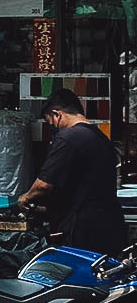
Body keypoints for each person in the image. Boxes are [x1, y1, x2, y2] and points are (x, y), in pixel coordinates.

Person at [18, 89, 126, 255]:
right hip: (109, 223)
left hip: (84, 230)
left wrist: (25, 198)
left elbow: (43, 185)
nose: (55, 129)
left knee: (77, 277)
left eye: (52, 123)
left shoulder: (69, 137)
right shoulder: (100, 137)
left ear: (57, 114)